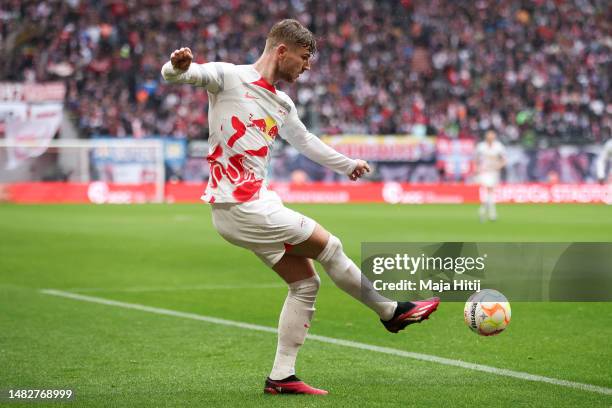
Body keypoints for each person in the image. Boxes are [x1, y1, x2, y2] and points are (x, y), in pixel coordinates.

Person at [161, 19, 439, 395]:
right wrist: (175, 67)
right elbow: (184, 75)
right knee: (331, 246)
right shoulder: (229, 77)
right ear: (282, 51)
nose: (307, 66)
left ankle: (281, 377)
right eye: (304, 58)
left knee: (305, 284)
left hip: (252, 204)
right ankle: (391, 312)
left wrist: (347, 164)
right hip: (241, 206)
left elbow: (304, 140)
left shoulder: (282, 102)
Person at [475, 130, 506, 222]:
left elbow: (504, 160)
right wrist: (477, 168)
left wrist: (499, 166)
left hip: (494, 172)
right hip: (484, 172)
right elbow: (476, 159)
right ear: (486, 137)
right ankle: (492, 213)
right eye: (489, 136)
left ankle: (483, 210)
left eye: (492, 136)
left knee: (490, 191)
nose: (491, 138)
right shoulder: (481, 146)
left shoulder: (499, 147)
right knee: (489, 189)